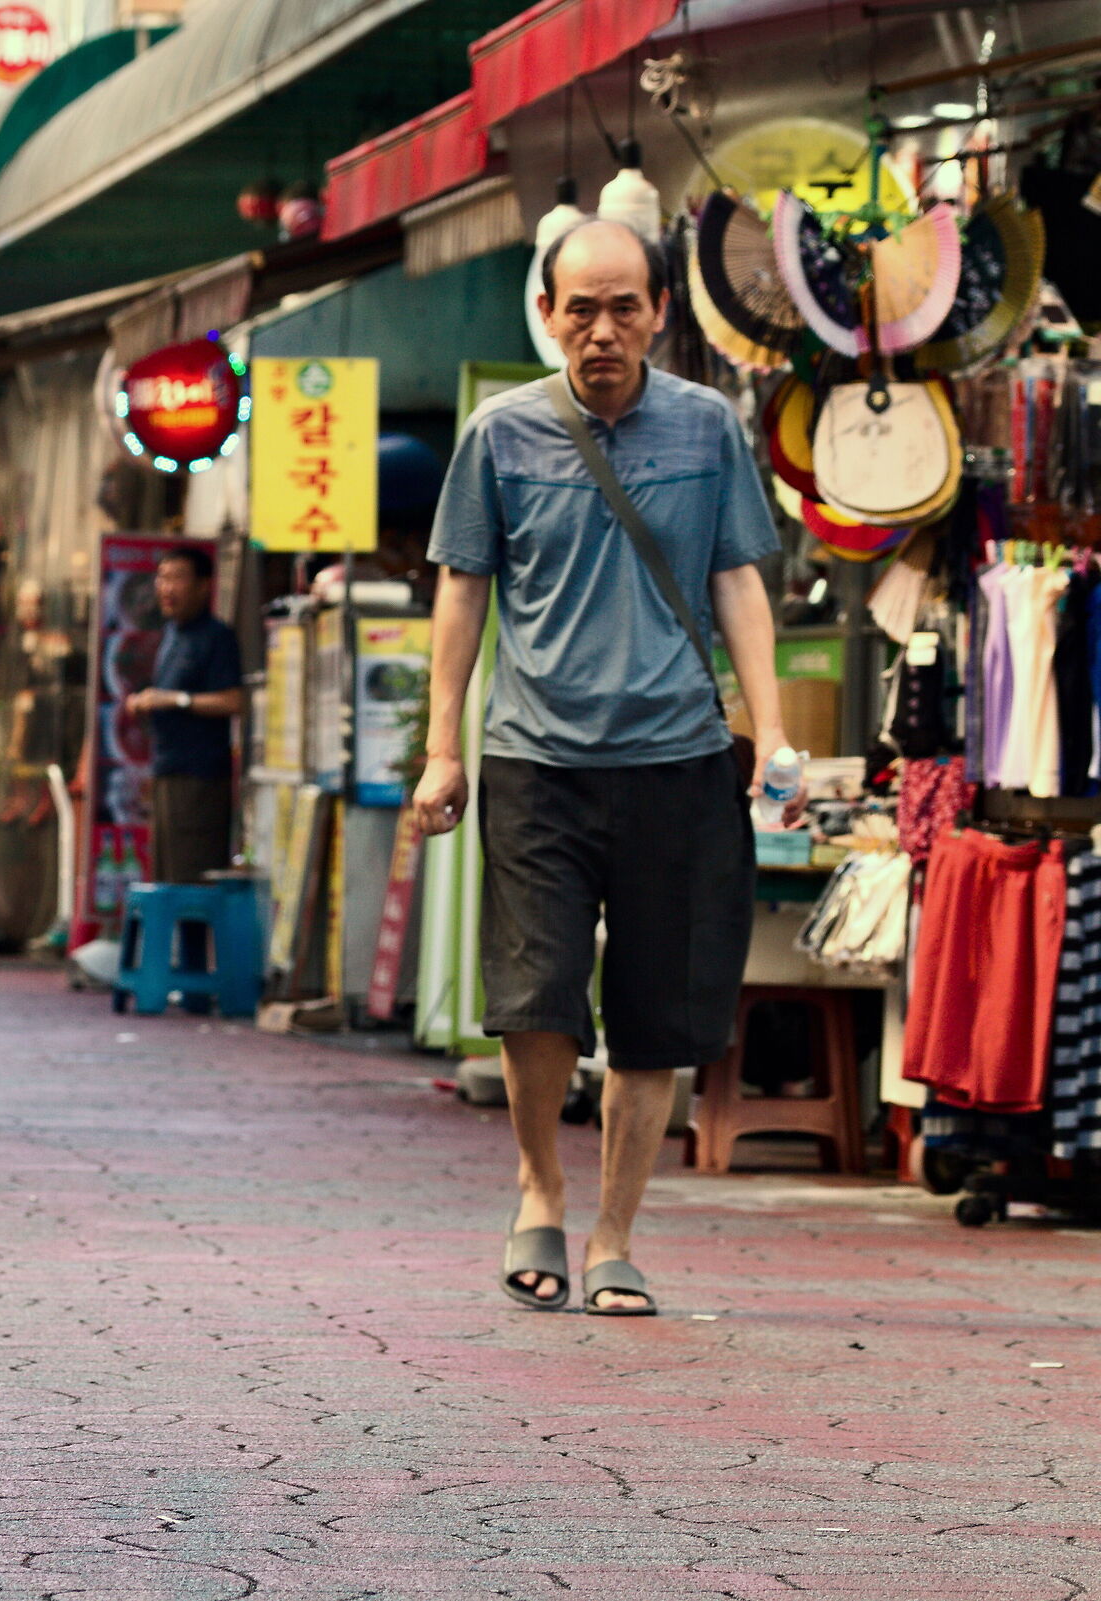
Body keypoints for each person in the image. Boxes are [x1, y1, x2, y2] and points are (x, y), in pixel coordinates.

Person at [412, 218, 797, 1318]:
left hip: (676, 760)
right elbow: (462, 591)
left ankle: (617, 1230)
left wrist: (768, 733)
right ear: (546, 314)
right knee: (533, 995)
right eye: (580, 306)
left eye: (624, 305)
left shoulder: (708, 426)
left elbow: (737, 582)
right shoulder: (500, 434)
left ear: (660, 312)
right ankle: (539, 1187)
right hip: (537, 755)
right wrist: (445, 747)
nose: (603, 328)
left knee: (655, 1008)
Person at [124, 545, 243, 883]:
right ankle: (179, 939)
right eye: (162, 578)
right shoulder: (171, 633)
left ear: (205, 585)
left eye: (177, 578)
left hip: (200, 780)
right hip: (166, 772)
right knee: (166, 880)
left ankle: (194, 939)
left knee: (191, 881)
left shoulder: (218, 636)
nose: (166, 588)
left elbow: (235, 701)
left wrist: (176, 700)